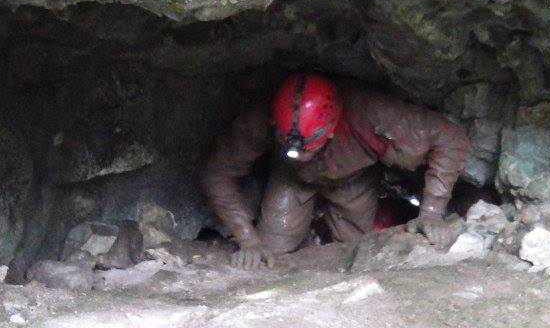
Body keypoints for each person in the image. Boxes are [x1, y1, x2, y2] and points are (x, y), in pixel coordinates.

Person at [201, 72, 471, 269]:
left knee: (355, 255)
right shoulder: (260, 119)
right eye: (289, 143)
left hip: (355, 178)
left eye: (309, 146)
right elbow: (218, 173)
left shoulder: (370, 112)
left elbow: (450, 139)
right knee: (270, 254)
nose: (302, 152)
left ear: (331, 126)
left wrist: (432, 213)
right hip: (291, 178)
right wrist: (248, 240)